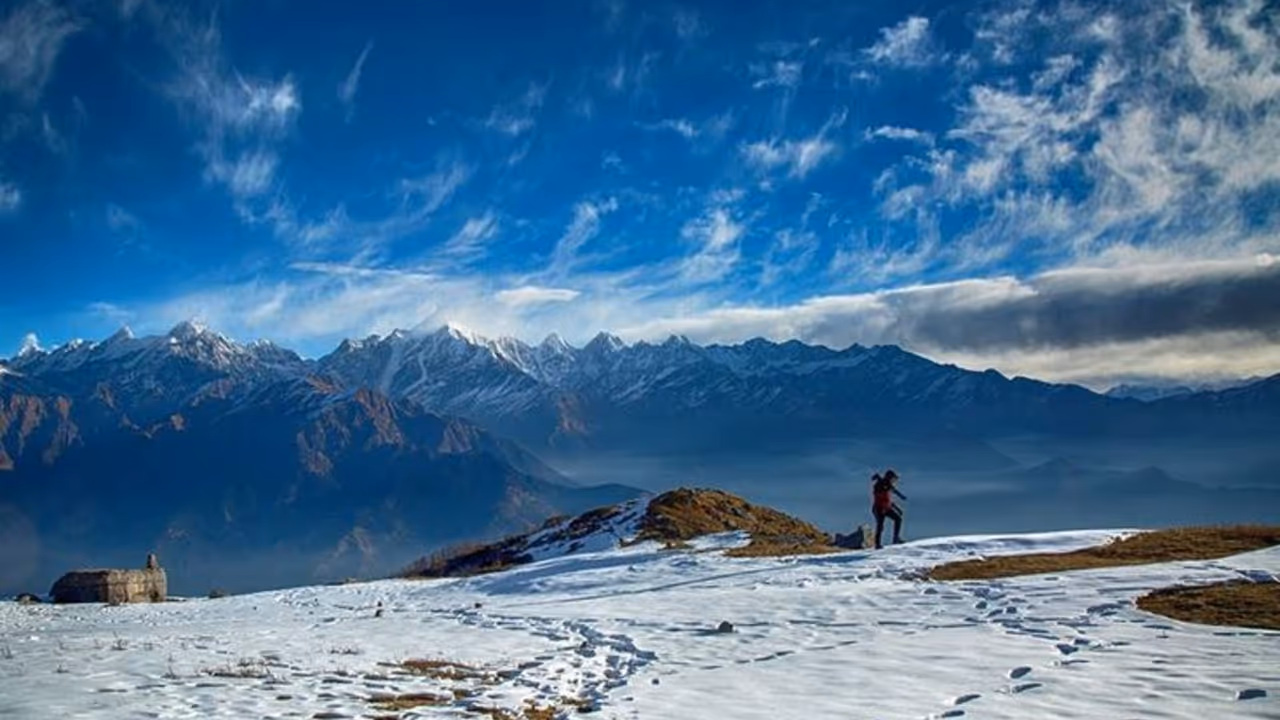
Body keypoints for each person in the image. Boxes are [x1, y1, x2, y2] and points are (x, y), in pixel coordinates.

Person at [871, 469, 907, 549]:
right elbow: (880, 498)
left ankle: (895, 538)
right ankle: (877, 544)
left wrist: (897, 508)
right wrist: (885, 487)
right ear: (889, 477)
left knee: (898, 519)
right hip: (879, 508)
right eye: (893, 479)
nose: (894, 481)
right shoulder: (880, 485)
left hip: (885, 508)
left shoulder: (886, 485)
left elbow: (888, 500)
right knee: (880, 525)